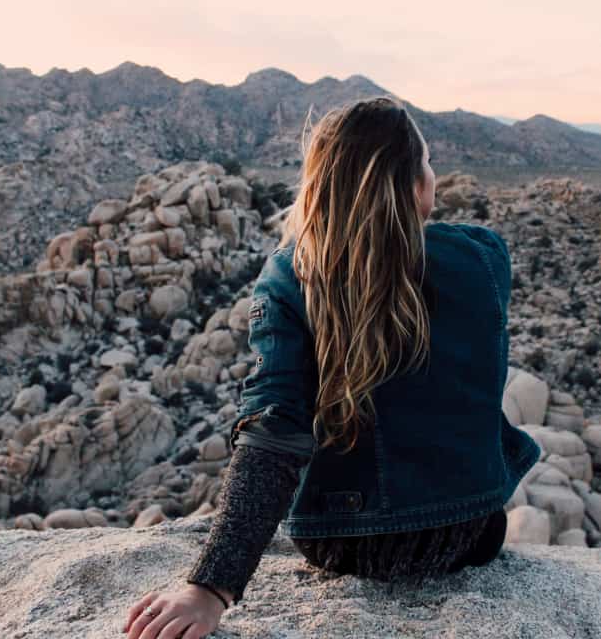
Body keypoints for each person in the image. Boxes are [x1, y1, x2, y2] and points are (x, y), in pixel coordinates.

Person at [122, 96, 541, 639]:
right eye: (427, 162)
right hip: (468, 530)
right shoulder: (484, 256)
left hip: (338, 541)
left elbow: (273, 427)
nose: (433, 174)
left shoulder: (291, 274)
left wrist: (211, 588)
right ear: (415, 184)